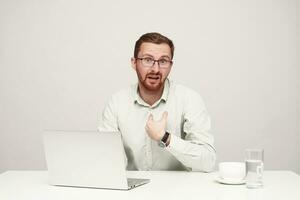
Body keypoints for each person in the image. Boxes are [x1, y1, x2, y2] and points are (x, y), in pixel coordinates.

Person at [98, 32, 216, 172]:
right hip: (132, 192)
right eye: (147, 60)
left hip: (179, 191)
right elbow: (104, 160)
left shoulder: (189, 99)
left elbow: (207, 162)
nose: (155, 69)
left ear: (171, 65)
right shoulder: (117, 102)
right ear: (134, 63)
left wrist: (166, 138)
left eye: (163, 61)